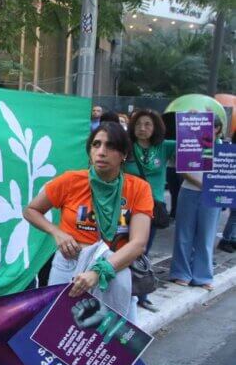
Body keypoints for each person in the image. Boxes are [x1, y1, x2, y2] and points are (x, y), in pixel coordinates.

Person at [23, 122, 152, 321]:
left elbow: (138, 243)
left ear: (124, 154)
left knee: (113, 343)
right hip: (69, 265)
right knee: (61, 335)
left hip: (115, 266)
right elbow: (31, 211)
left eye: (110, 146)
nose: (101, 152)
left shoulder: (139, 188)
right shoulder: (70, 181)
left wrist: (98, 272)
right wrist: (57, 233)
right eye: (96, 144)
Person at [122, 109, 176, 311]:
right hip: (125, 207)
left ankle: (141, 295)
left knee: (142, 251)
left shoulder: (164, 147)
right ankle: (121, 291)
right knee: (121, 248)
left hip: (151, 208)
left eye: (147, 124)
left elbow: (196, 145)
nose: (142, 128)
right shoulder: (125, 147)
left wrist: (197, 121)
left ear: (156, 128)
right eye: (138, 124)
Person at [170, 118, 224, 291]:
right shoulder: (190, 144)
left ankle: (203, 276)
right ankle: (181, 273)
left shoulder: (224, 148)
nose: (209, 129)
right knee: (184, 233)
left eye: (213, 127)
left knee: (207, 235)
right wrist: (203, 185)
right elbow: (183, 171)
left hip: (213, 195)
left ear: (218, 129)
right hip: (189, 191)